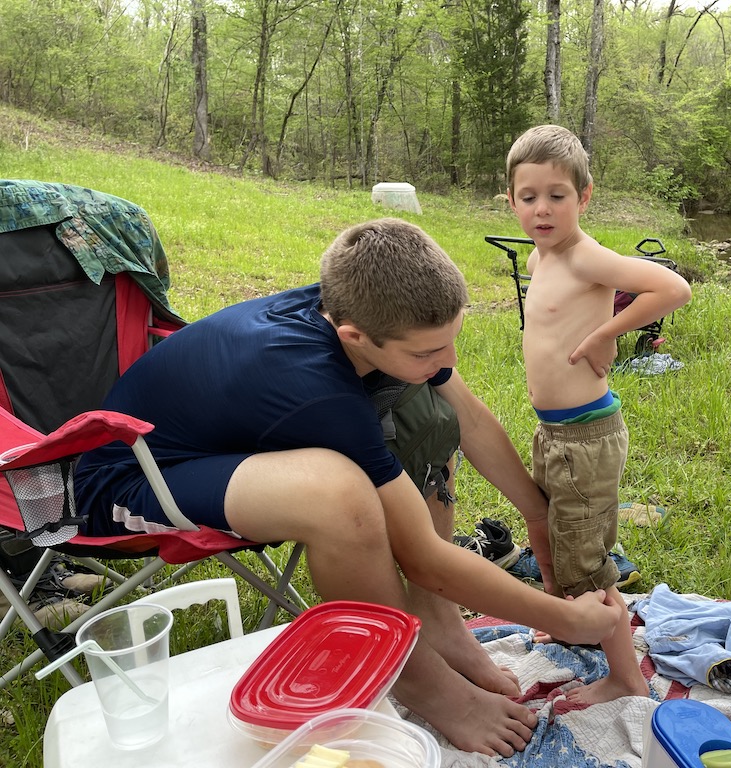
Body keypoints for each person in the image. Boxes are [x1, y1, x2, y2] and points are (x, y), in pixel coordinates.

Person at [73, 218, 621, 757]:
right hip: (130, 476)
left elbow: (469, 419)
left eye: (451, 342)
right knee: (337, 495)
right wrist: (563, 618)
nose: (446, 362)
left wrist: (533, 514)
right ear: (354, 337)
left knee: (428, 413)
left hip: (225, 445)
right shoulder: (318, 387)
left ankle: (438, 622)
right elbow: (425, 559)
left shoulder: (366, 308)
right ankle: (417, 679)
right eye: (428, 352)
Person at [505, 125, 692, 705]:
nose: (542, 209)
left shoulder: (585, 255)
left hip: (586, 434)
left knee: (586, 558)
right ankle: (569, 617)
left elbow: (672, 288)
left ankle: (624, 678)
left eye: (557, 195)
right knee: (554, 531)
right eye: (528, 196)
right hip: (554, 429)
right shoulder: (541, 256)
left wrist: (606, 333)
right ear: (510, 199)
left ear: (583, 198)